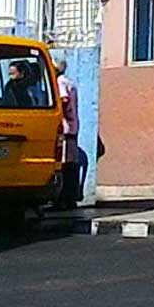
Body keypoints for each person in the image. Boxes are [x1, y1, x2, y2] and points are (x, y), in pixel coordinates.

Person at [53, 52, 86, 209]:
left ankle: (63, 199)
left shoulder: (59, 82)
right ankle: (71, 198)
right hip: (72, 128)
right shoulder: (69, 82)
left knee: (64, 165)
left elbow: (63, 100)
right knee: (71, 165)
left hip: (65, 128)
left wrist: (58, 116)